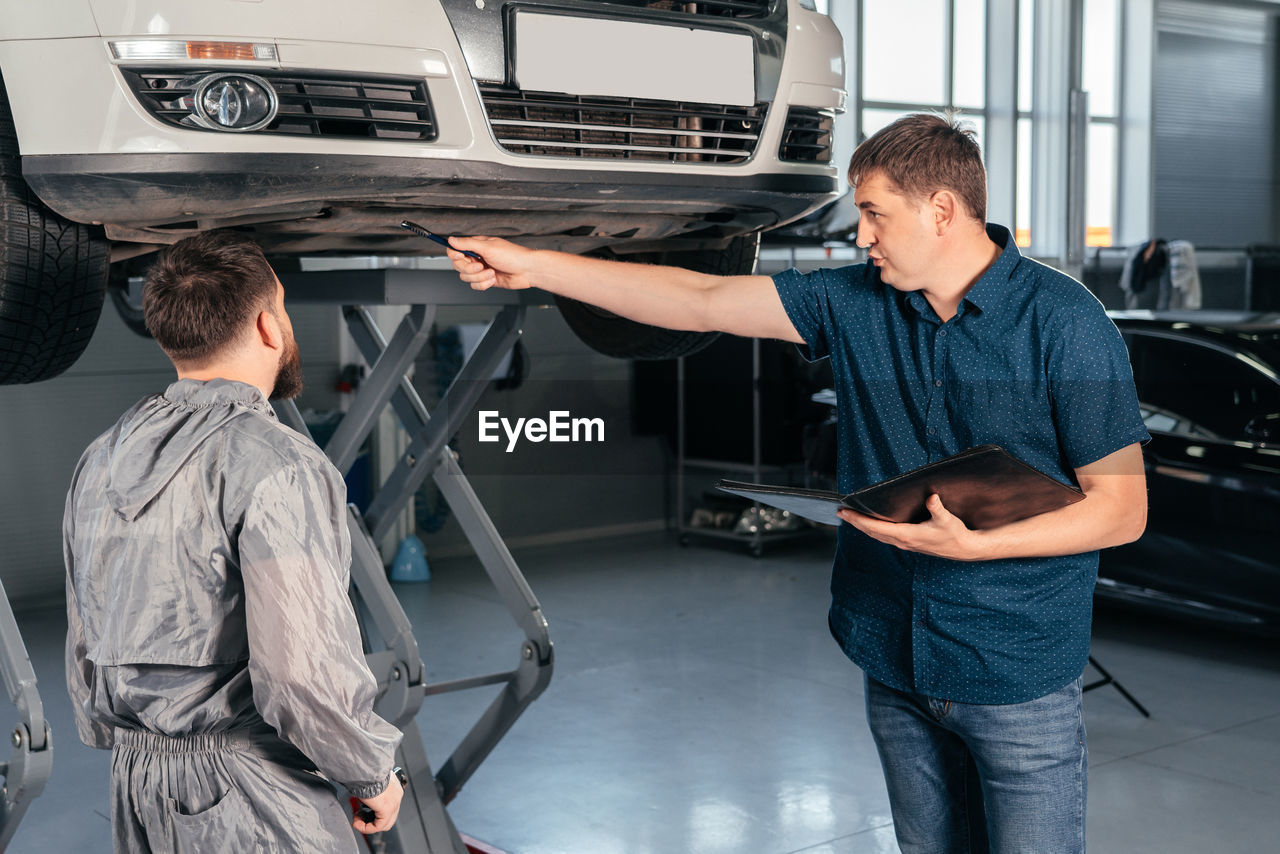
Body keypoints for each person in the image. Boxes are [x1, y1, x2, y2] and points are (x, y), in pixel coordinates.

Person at [447, 113, 1149, 853]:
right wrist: (534, 265)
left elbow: (1122, 509)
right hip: (892, 653)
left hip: (1016, 668)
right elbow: (701, 302)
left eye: (875, 213)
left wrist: (975, 548)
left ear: (942, 209)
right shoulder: (852, 302)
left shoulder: (1067, 324)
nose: (862, 235)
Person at [64, 231, 405, 852]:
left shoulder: (100, 456)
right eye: (285, 307)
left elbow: (85, 630)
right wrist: (369, 770)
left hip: (137, 780)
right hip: (250, 789)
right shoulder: (278, 464)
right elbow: (300, 672)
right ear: (267, 326)